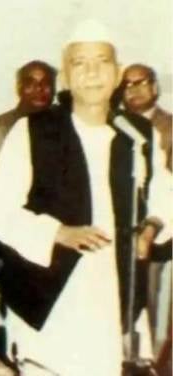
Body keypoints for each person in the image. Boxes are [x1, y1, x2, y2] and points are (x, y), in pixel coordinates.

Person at [0, 21, 171, 374]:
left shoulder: (138, 134)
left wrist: (152, 226)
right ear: (66, 76)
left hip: (115, 288)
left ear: (117, 74)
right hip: (51, 293)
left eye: (101, 61)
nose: (92, 72)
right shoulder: (33, 131)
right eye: (80, 63)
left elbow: (165, 192)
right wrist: (57, 232)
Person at [121, 63, 173, 357]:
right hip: (124, 227)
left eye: (141, 82)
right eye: (127, 84)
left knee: (151, 300)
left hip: (162, 228)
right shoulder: (113, 123)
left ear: (154, 87)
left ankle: (152, 360)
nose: (135, 89)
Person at [0, 60, 56, 215]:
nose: (39, 89)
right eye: (31, 83)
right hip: (12, 218)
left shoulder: (63, 123)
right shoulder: (2, 125)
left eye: (45, 84)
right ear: (19, 88)